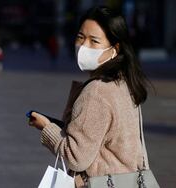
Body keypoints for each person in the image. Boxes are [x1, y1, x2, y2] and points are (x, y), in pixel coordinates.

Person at [28, 6, 150, 187]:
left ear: (115, 48)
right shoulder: (124, 83)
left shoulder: (97, 91)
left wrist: (46, 128)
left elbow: (76, 158)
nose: (84, 46)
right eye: (80, 37)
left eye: (94, 41)